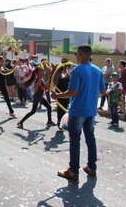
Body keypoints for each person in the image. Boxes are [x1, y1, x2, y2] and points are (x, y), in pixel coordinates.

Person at [51, 45, 105, 180]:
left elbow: (73, 92)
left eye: (77, 54)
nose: (76, 57)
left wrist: (57, 96)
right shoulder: (98, 70)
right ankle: (92, 167)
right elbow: (103, 91)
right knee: (90, 138)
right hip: (91, 110)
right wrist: (90, 94)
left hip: (78, 110)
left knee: (75, 140)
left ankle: (73, 171)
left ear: (80, 55)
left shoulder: (77, 70)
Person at [16, 65, 56, 129]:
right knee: (33, 111)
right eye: (42, 71)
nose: (43, 72)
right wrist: (39, 82)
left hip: (40, 97)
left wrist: (50, 79)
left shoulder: (40, 78)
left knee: (49, 107)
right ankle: (21, 122)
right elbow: (35, 90)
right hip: (37, 97)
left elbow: (44, 86)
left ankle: (49, 121)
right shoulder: (37, 79)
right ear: (38, 72)